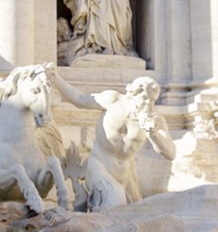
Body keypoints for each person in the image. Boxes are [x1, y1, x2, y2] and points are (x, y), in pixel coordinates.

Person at [55, 73, 176, 210]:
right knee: (115, 204)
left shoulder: (155, 119)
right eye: (144, 98)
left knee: (132, 215)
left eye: (152, 100)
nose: (148, 104)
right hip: (100, 165)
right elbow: (80, 99)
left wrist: (152, 134)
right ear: (132, 94)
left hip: (127, 176)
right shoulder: (113, 100)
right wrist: (55, 79)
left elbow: (170, 153)